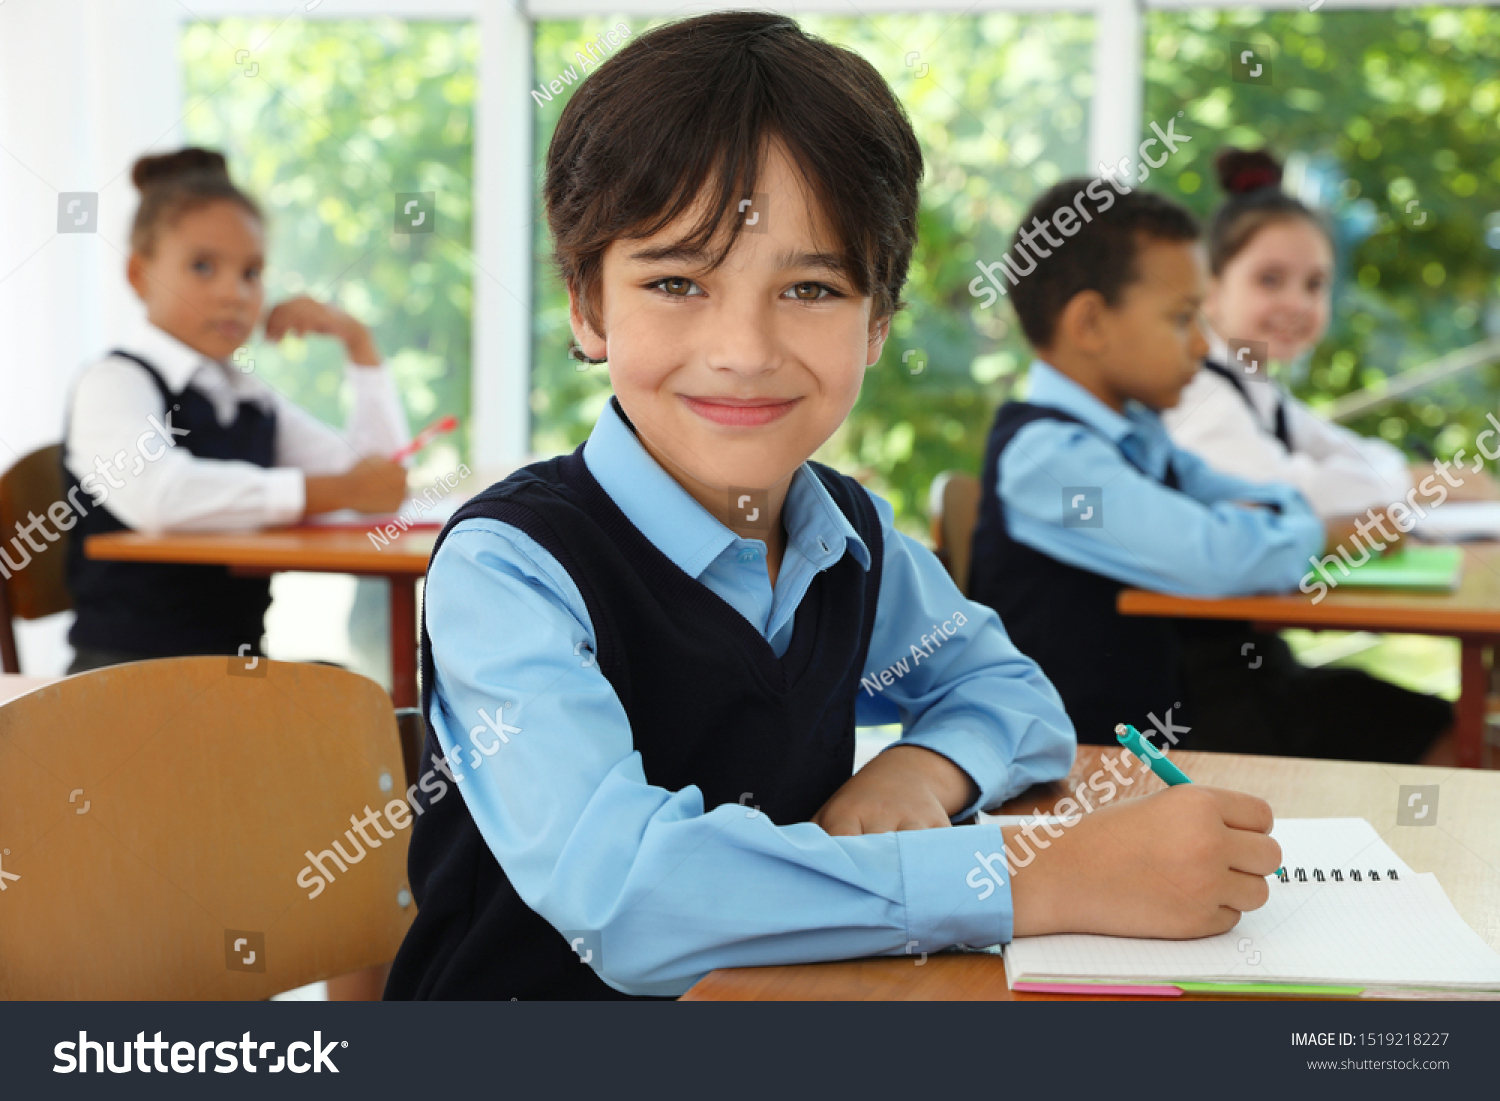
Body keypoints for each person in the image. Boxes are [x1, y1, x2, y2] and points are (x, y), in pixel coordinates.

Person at [385, 12, 1282, 1002]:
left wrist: (922, 769)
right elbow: (631, 903)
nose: (743, 348)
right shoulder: (510, 568)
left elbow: (1015, 699)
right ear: (589, 309)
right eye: (677, 280)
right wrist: (1040, 877)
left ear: (878, 323)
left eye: (810, 288)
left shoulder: (847, 535)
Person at [966, 178, 1452, 763]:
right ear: (1090, 324)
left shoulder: (1139, 433)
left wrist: (1274, 522)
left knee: (1433, 721)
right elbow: (1212, 556)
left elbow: (1259, 497)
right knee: (1436, 734)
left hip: (1198, 709)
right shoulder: (1050, 461)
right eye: (1182, 319)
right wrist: (1321, 533)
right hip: (1108, 757)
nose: (1202, 347)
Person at [62, 147, 410, 672]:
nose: (233, 293)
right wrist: (340, 492)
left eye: (251, 272)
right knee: (353, 707)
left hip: (230, 671)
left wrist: (357, 344)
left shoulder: (246, 395)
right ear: (139, 274)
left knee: (354, 696)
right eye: (203, 267)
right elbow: (163, 494)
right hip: (126, 677)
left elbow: (374, 483)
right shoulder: (114, 383)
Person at [1162, 147, 1496, 512]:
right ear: (1210, 291)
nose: (1297, 304)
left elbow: (1347, 452)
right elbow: (1281, 491)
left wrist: (1417, 476)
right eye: (1269, 280)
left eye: (1315, 284)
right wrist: (1417, 481)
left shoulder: (1255, 386)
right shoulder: (1193, 389)